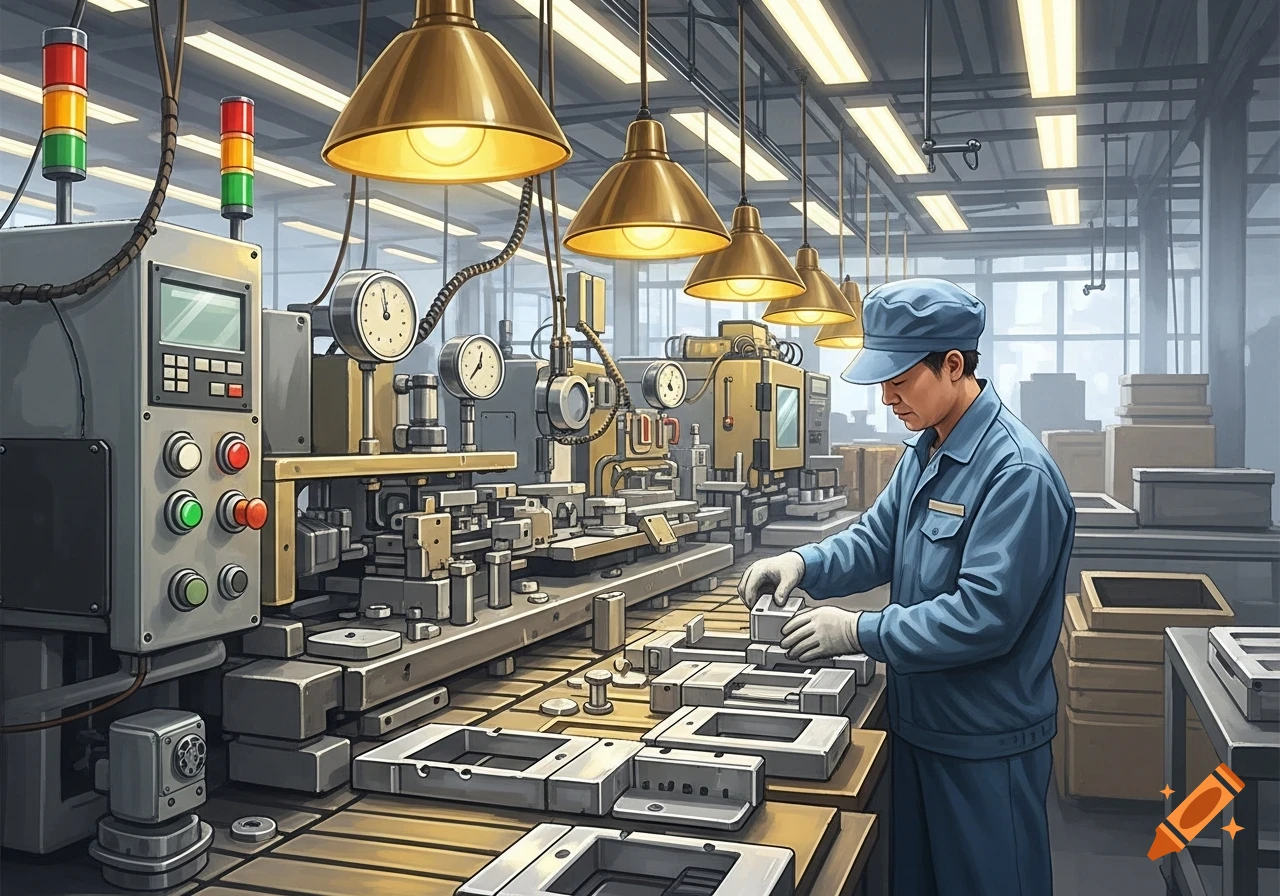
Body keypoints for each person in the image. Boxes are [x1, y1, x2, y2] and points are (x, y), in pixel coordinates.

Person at [738, 278, 1074, 896]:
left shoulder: (1016, 473)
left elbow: (983, 616)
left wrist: (856, 630)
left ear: (953, 365)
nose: (888, 397)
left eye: (900, 379)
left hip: (985, 743)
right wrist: (804, 563)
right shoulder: (925, 451)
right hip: (919, 725)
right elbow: (875, 540)